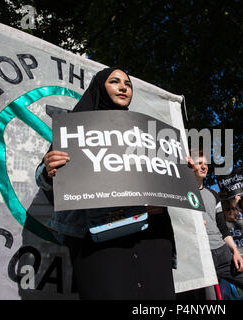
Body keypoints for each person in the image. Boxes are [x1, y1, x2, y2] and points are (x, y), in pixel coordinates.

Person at [35, 67, 176, 300]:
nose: (123, 87)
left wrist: (179, 169)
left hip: (150, 238)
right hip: (98, 241)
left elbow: (164, 181)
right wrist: (49, 170)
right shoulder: (75, 129)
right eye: (115, 81)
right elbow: (43, 178)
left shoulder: (146, 133)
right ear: (100, 86)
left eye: (128, 84)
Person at [186, 151, 243, 300]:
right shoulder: (181, 194)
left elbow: (223, 228)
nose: (204, 167)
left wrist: (235, 252)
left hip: (224, 254)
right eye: (199, 163)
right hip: (200, 258)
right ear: (190, 165)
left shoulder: (213, 194)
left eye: (206, 163)